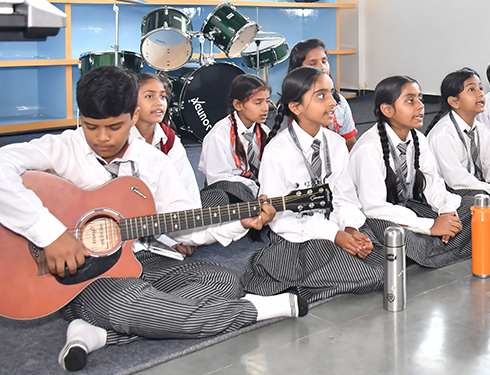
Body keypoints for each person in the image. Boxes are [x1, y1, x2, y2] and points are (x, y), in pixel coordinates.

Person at [0, 67, 303, 373]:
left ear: (133, 116)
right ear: (80, 118)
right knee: (127, 302)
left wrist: (239, 223)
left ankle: (100, 332)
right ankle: (254, 310)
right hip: (86, 276)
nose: (101, 138)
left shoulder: (153, 162)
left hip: (141, 260)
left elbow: (184, 228)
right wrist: (49, 234)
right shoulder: (63, 147)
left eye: (114, 127)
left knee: (222, 282)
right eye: (91, 127)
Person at [242, 67, 383, 302]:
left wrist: (350, 229)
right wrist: (334, 235)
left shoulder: (336, 143)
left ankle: (327, 274)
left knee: (384, 254)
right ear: (296, 107)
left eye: (332, 94)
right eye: (321, 96)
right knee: (370, 276)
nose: (332, 102)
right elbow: (280, 218)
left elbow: (345, 197)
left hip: (335, 225)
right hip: (298, 237)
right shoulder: (278, 151)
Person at [349, 76, 478, 268]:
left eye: (420, 98)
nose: (420, 106)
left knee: (476, 208)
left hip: (406, 206)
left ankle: (429, 248)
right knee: (392, 232)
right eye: (410, 100)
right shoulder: (369, 148)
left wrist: (447, 213)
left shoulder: (418, 139)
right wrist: (430, 226)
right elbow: (373, 207)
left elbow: (434, 187)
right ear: (387, 110)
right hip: (377, 217)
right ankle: (437, 246)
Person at [427, 68, 490, 224]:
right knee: (486, 209)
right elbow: (457, 181)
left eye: (480, 88)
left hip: (478, 188)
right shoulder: (442, 134)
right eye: (471, 90)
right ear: (454, 102)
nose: (480, 94)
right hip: (451, 194)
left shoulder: (480, 129)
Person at [198, 75, 271, 207]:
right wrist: (254, 189)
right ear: (238, 105)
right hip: (230, 195)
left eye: (267, 101)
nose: (265, 108)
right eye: (258, 102)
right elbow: (217, 179)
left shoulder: (265, 131)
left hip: (261, 191)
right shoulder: (218, 136)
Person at [133, 73, 199, 199]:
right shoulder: (120, 138)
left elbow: (187, 187)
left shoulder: (169, 140)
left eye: (162, 97)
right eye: (149, 96)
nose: (159, 103)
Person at [287, 39, 358, 150]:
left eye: (324, 61)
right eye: (312, 63)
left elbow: (350, 143)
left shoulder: (339, 101)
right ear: (298, 69)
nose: (322, 67)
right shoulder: (292, 105)